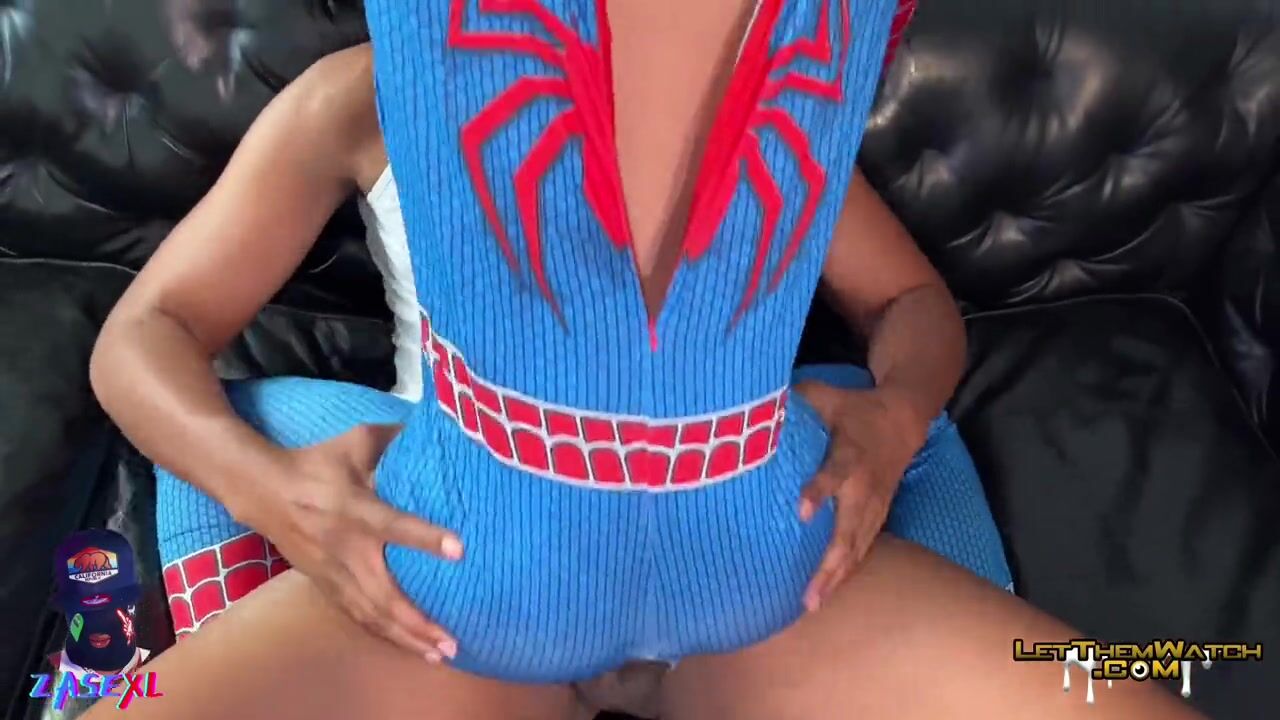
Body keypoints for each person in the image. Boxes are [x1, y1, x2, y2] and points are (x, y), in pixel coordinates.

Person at [85, 1, 1202, 718]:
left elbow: (913, 303)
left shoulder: (765, 81)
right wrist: (270, 491)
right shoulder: (361, 96)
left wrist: (897, 413)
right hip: (462, 559)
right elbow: (143, 335)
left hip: (750, 541)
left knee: (1111, 694)